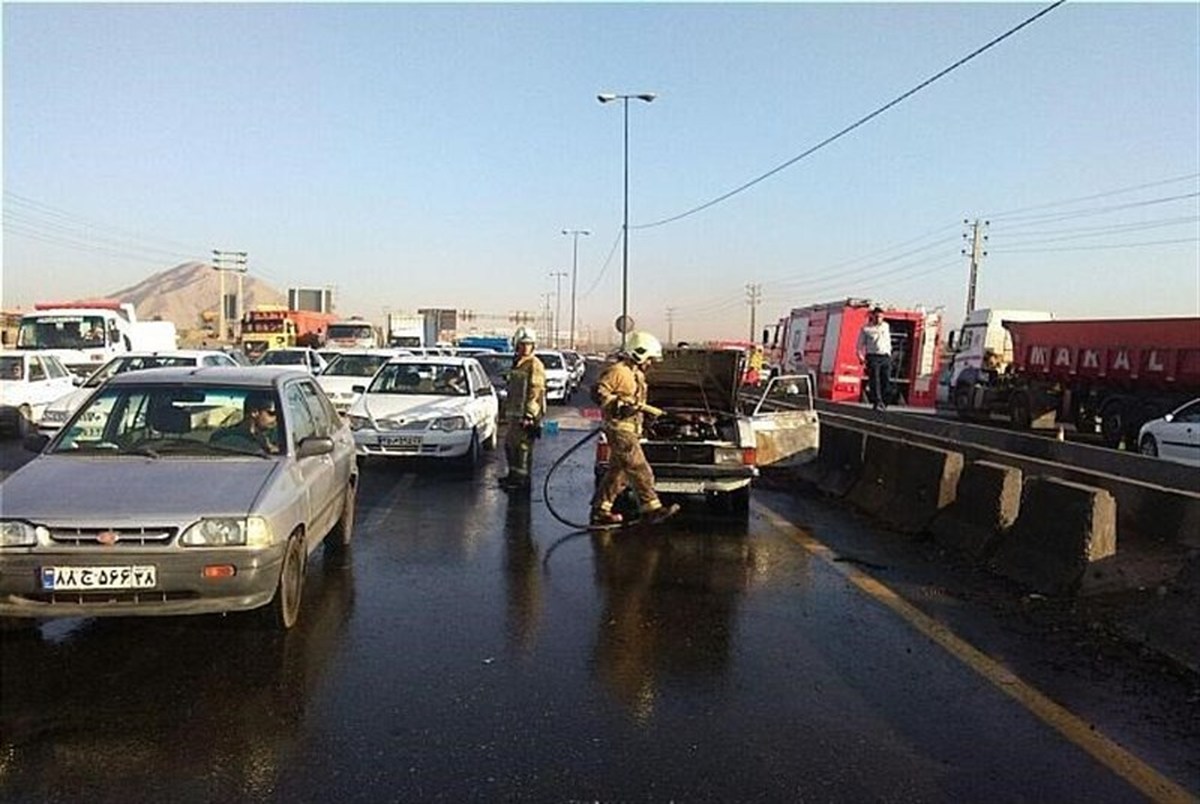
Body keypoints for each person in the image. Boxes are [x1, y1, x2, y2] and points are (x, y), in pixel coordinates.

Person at [590, 331, 680, 527]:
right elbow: (598, 391)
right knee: (640, 469)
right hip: (619, 429)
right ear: (639, 353)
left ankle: (601, 509)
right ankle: (651, 509)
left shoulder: (636, 374)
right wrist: (618, 405)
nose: (651, 364)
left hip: (630, 428)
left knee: (618, 472)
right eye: (649, 359)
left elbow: (637, 402)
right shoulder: (619, 371)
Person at [499, 327, 546, 491]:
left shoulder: (534, 364)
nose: (525, 348)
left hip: (526, 416)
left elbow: (535, 391)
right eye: (522, 344)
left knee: (523, 448)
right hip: (515, 415)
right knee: (510, 445)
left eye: (529, 344)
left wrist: (530, 415)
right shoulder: (519, 363)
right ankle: (513, 475)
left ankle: (522, 480)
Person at [211, 391, 281, 453]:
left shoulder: (277, 437)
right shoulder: (224, 436)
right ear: (254, 412)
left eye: (279, 414)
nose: (276, 418)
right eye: (272, 413)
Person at [856, 305, 893, 411]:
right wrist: (861, 357)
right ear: (872, 316)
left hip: (885, 356)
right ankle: (877, 401)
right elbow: (859, 345)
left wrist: (890, 354)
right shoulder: (866, 329)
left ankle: (885, 401)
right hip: (873, 357)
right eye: (876, 317)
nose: (878, 319)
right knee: (874, 380)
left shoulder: (886, 326)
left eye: (880, 317)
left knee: (885, 379)